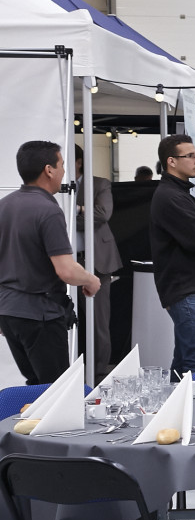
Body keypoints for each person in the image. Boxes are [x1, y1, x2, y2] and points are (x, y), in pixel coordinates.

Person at [0, 142, 100, 384]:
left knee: (36, 387)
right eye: (62, 165)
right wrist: (91, 279)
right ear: (49, 170)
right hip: (40, 314)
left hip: (9, 312)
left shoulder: (4, 205)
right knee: (56, 392)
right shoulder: (47, 210)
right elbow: (66, 270)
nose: (65, 171)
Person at [149, 134, 195, 379]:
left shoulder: (180, 195)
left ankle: (171, 415)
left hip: (191, 290)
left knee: (183, 365)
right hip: (189, 290)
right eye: (190, 156)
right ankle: (193, 417)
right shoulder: (171, 197)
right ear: (171, 161)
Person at [73, 145, 122, 380]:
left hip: (96, 261)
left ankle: (100, 371)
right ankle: (72, 369)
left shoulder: (99, 184)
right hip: (66, 261)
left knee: (98, 320)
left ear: (79, 162)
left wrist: (76, 211)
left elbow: (102, 215)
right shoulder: (52, 189)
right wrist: (81, 213)